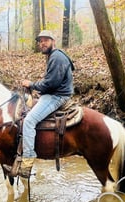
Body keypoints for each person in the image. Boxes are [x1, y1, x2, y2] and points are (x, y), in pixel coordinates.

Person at [14, 30, 74, 178]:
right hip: (53, 94)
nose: (42, 43)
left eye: (46, 40)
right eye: (40, 41)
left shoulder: (57, 57)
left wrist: (32, 84)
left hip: (57, 96)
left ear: (53, 41)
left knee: (28, 121)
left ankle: (27, 163)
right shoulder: (53, 56)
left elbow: (51, 83)